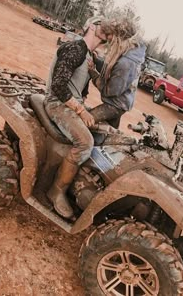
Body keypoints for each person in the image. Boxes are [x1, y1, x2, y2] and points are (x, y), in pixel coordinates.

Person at [44, 16, 112, 219]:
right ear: (91, 26)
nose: (105, 30)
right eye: (102, 25)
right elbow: (58, 85)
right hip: (57, 102)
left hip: (72, 105)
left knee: (107, 132)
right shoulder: (75, 48)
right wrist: (81, 111)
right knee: (85, 142)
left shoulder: (89, 55)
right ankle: (56, 191)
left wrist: (83, 107)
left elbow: (82, 91)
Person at [88, 19, 146, 129]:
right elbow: (114, 72)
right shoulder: (129, 52)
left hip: (115, 105)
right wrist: (98, 61)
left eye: (109, 34)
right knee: (109, 134)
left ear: (119, 37)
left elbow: (111, 90)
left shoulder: (126, 63)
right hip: (120, 101)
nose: (107, 38)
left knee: (86, 119)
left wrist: (93, 73)